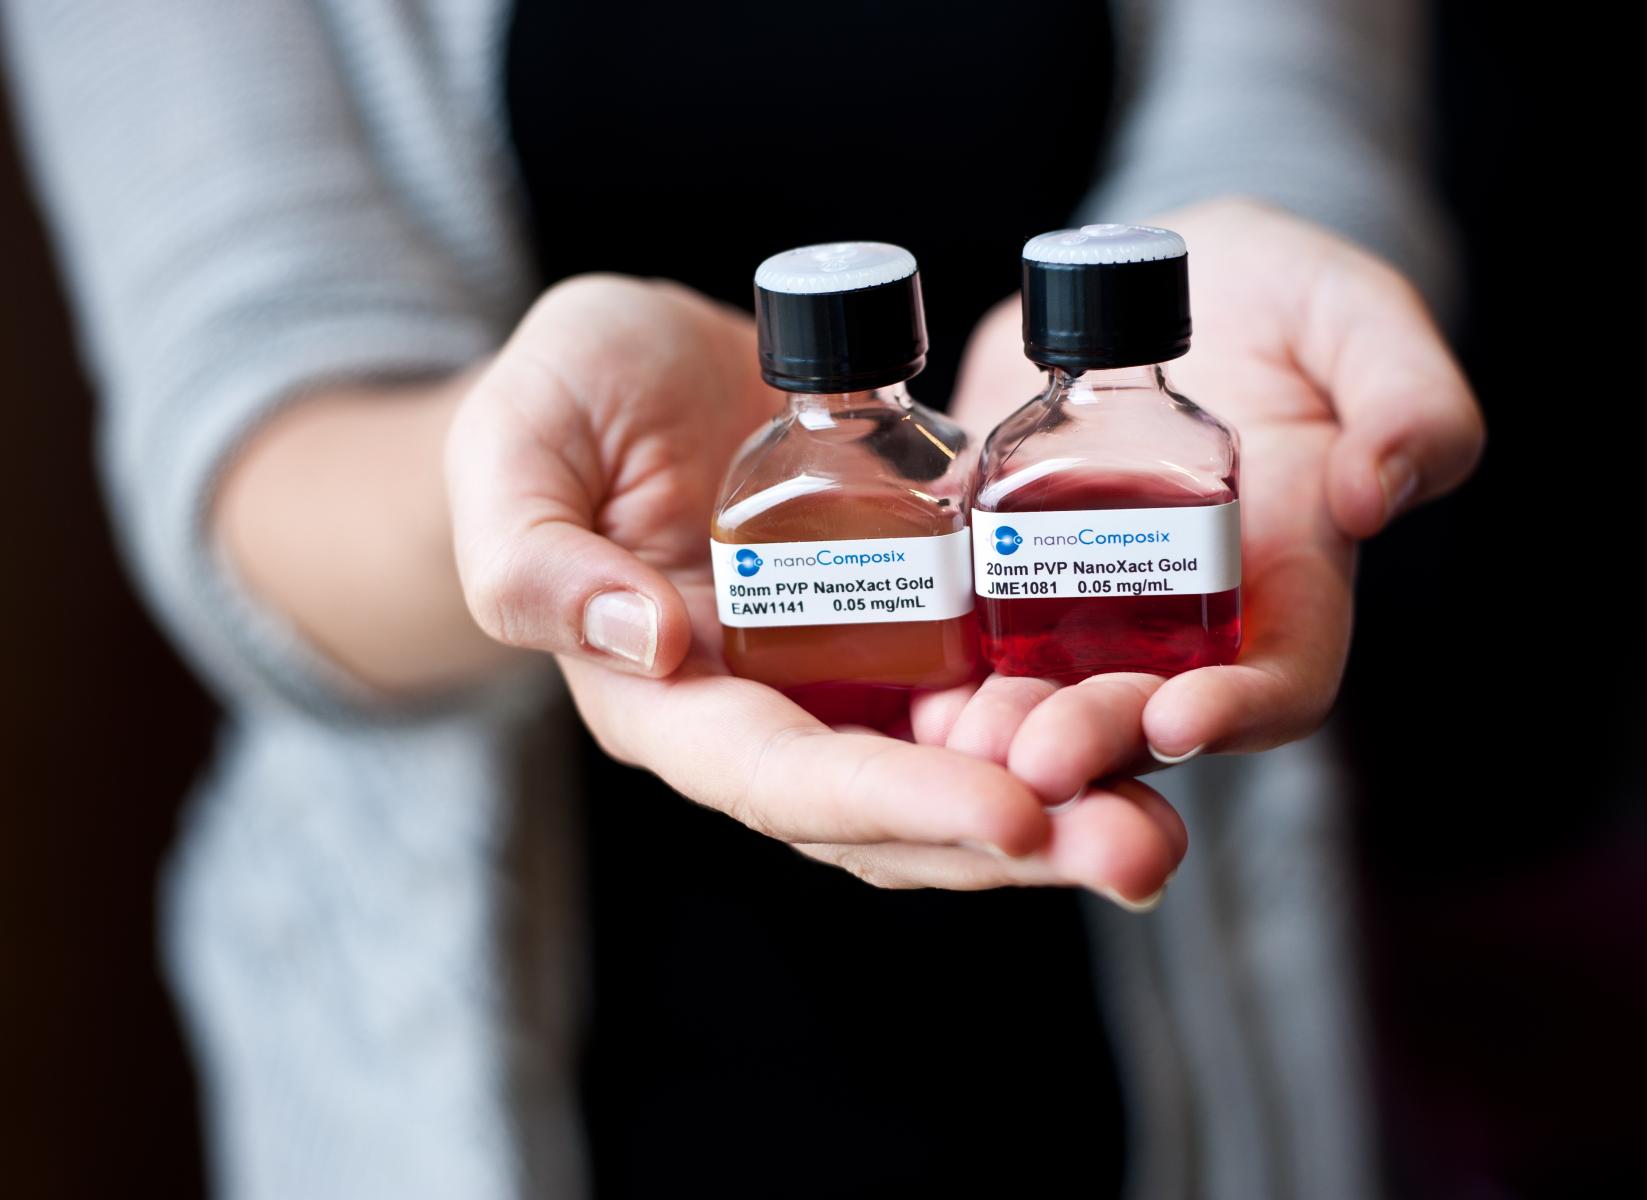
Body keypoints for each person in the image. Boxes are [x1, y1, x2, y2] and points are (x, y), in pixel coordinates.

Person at [4, 0, 1482, 1196]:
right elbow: (250, 401)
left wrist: (1287, 265)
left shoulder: (1026, 464)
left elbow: (1290, 110)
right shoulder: (870, 474)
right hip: (488, 1052)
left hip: (1134, 1011)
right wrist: (523, 492)